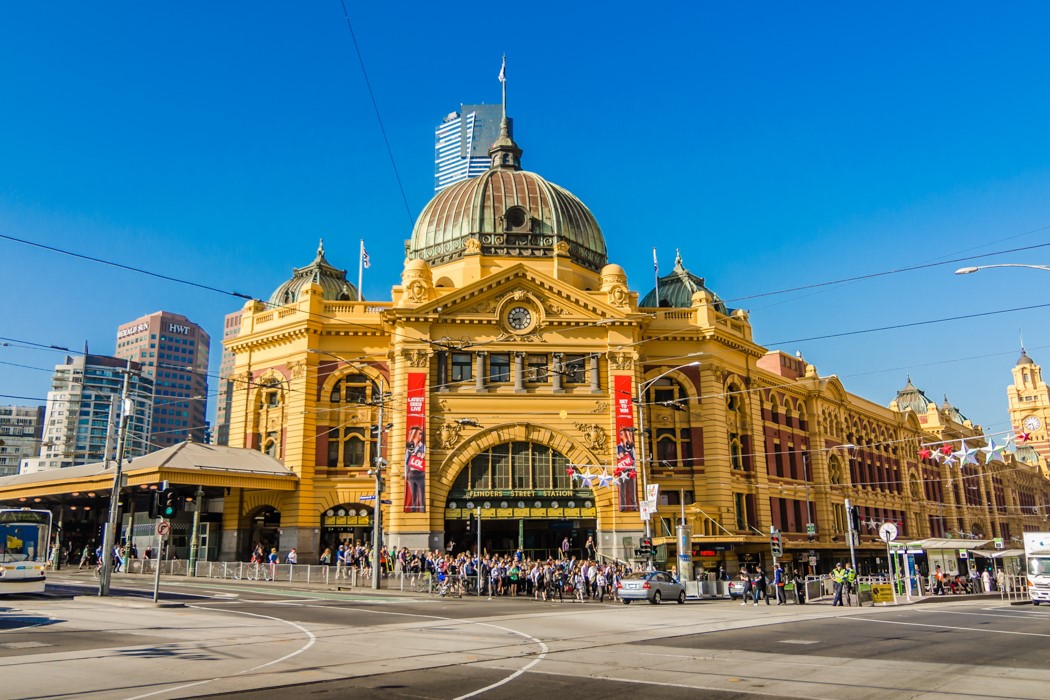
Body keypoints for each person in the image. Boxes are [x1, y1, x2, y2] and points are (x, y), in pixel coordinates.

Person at [404, 426, 427, 512]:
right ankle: (413, 509)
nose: (420, 435)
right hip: (411, 474)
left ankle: (422, 510)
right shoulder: (409, 448)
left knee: (421, 495)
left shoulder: (424, 447)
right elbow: (406, 462)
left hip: (421, 474)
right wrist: (406, 474)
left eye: (421, 434)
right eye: (419, 433)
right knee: (413, 494)